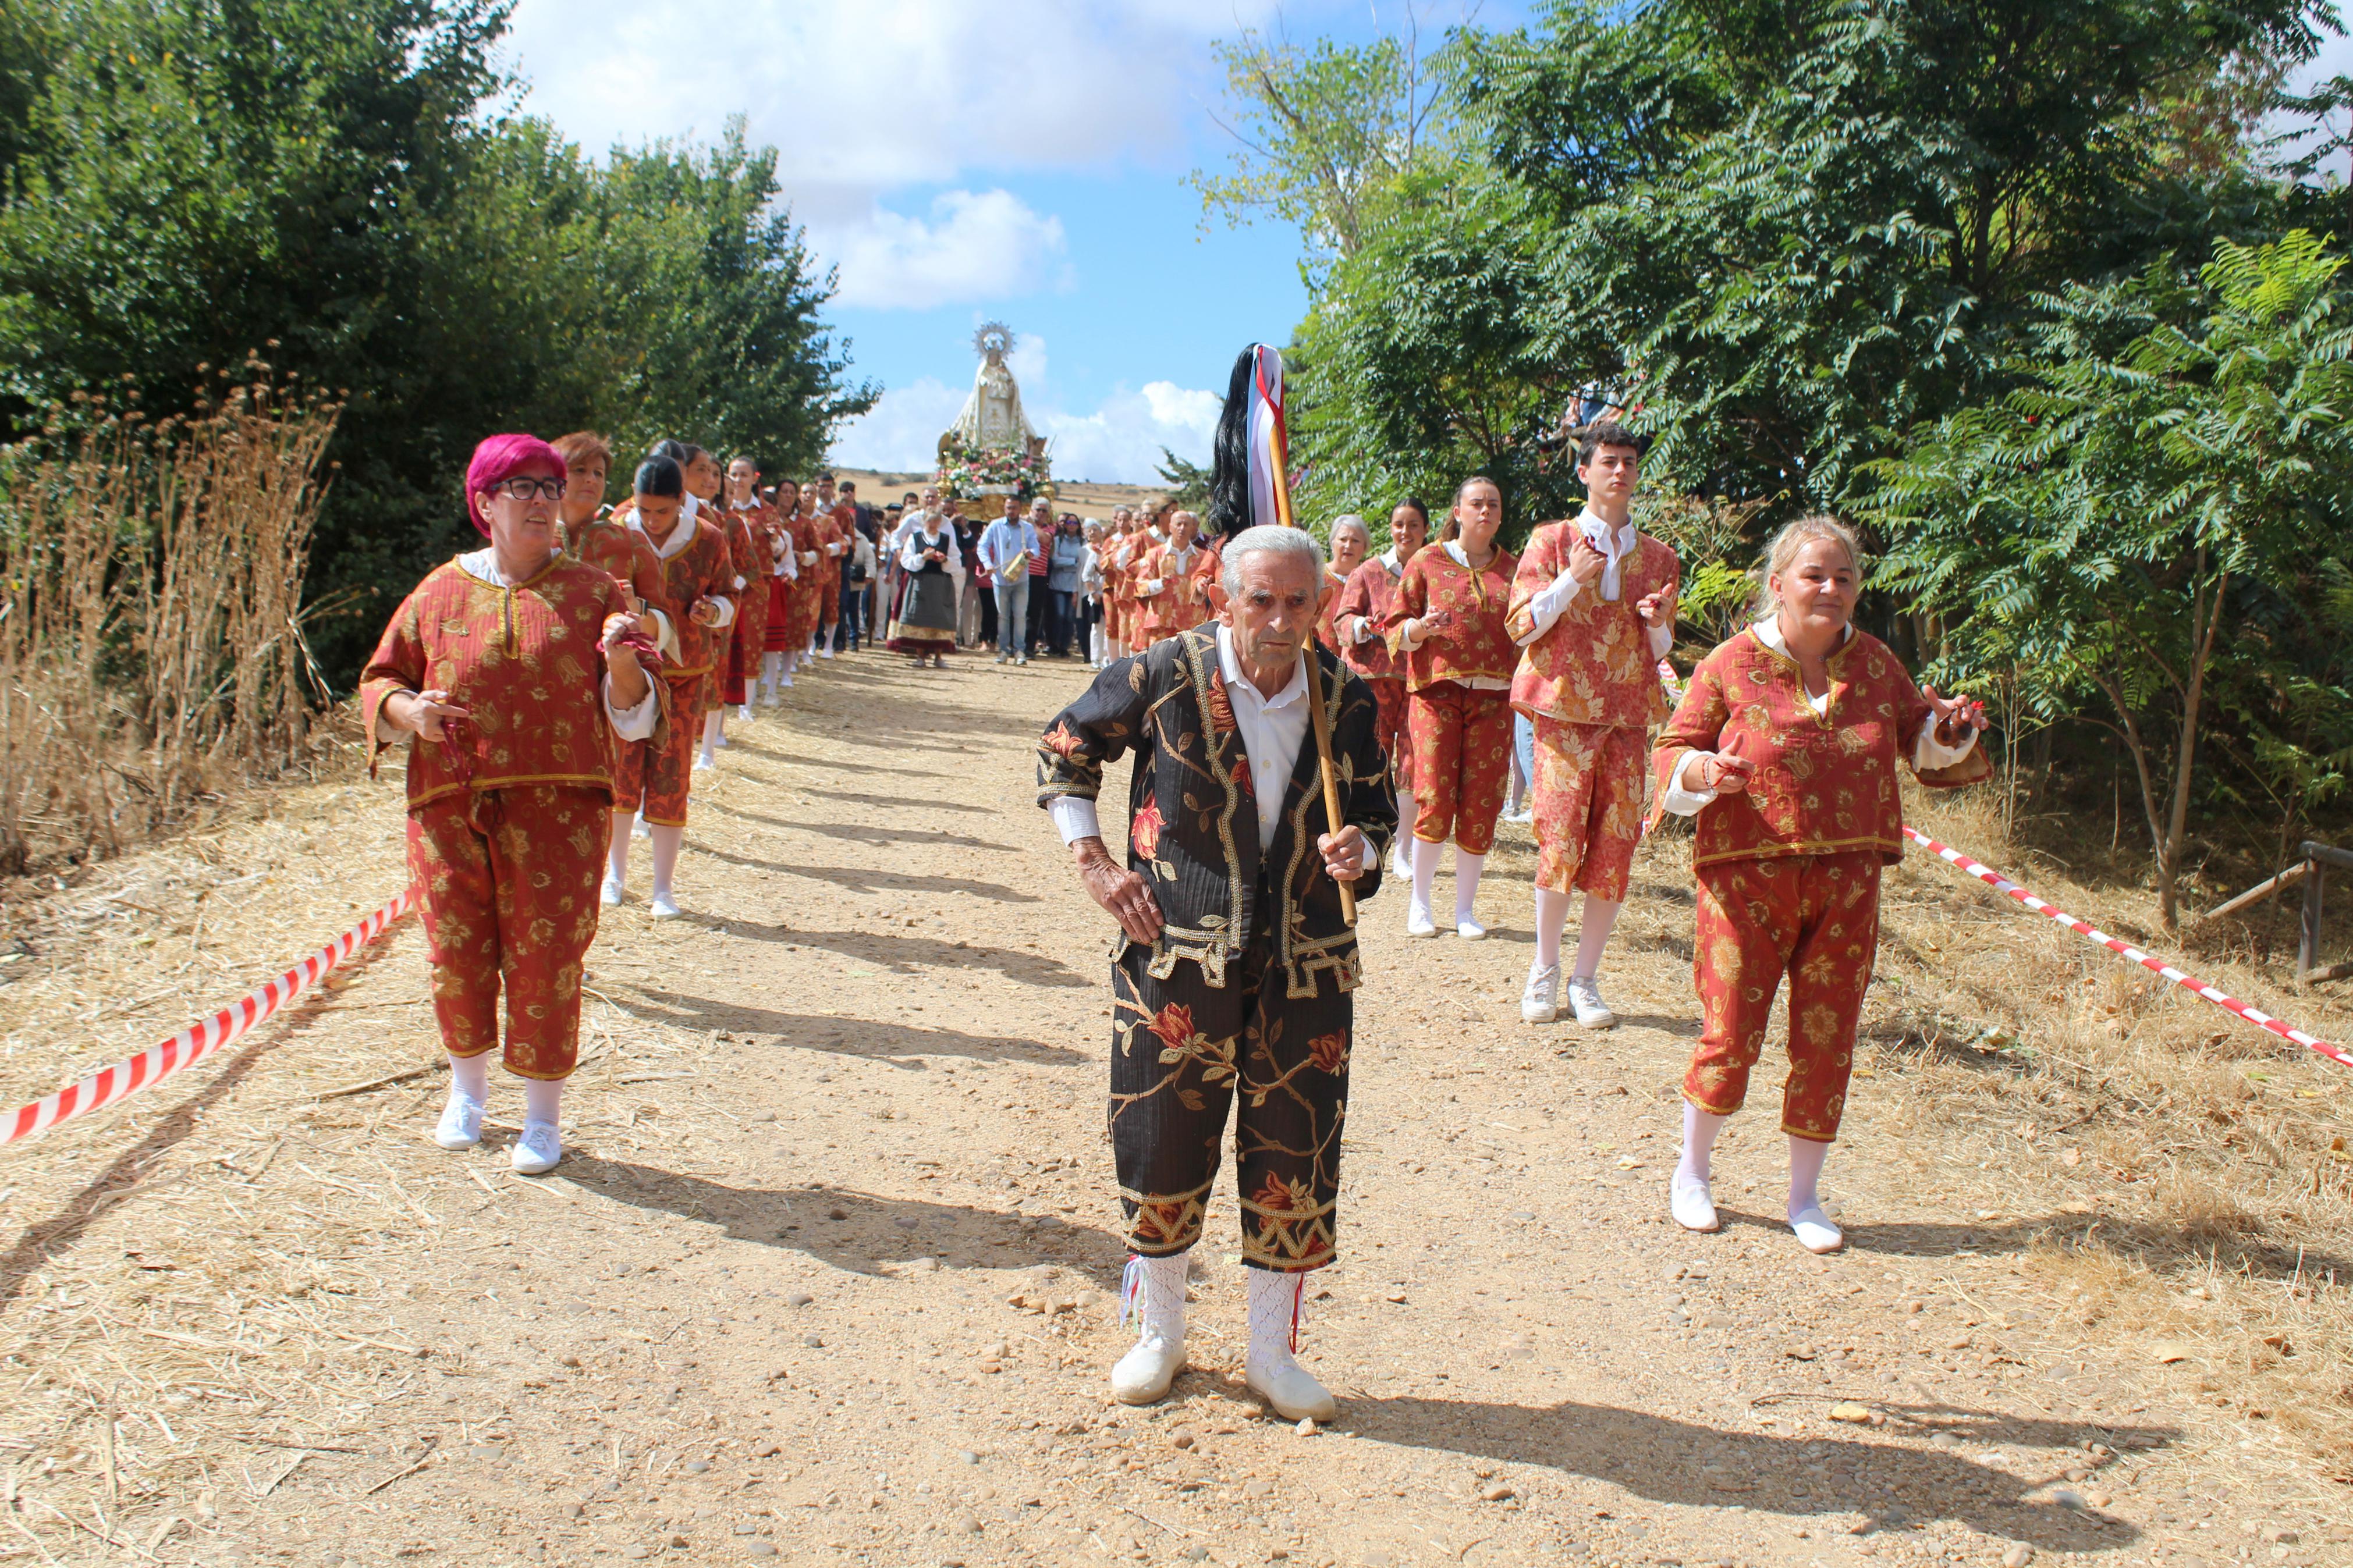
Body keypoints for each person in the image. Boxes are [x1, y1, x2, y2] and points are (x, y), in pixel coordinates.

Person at [1036, 524, 1396, 1421]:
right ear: (1222, 597)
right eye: (1260, 600)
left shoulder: (1342, 694)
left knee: (1293, 1148)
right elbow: (1062, 752)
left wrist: (1363, 848)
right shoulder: (1159, 674)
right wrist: (1094, 864)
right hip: (1175, 956)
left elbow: (1379, 807)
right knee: (1162, 1138)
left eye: (1297, 602)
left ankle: (1271, 1352)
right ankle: (1158, 1333)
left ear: (1321, 603)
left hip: (1303, 960)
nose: (1279, 621)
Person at [1653, 515, 1987, 1253]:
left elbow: (1918, 744)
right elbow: (1674, 746)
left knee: (1827, 1034)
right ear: (1776, 585)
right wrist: (1703, 773)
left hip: (1849, 881)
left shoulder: (1876, 665)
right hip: (1745, 877)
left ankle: (1803, 1197)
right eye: (1813, 575)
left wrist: (1950, 732)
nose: (1829, 589)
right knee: (1731, 1030)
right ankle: (1693, 1173)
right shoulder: (1729, 663)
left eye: (1842, 577)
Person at [360, 434, 656, 1174]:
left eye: (551, 488)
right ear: (484, 502)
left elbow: (634, 713)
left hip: (562, 810)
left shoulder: (595, 593)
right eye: (521, 487)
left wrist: (622, 660)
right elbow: (379, 679)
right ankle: (466, 1093)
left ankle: (541, 1117)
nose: (542, 501)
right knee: (456, 951)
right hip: (448, 805)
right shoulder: (435, 592)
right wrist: (408, 714)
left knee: (549, 956)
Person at [1505, 421, 1681, 1027]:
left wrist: (1657, 620)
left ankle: (1585, 977)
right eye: (1607, 460)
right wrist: (1569, 579)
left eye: (1628, 461)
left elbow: (1660, 649)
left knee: (1614, 849)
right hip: (1562, 711)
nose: (1619, 471)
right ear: (1582, 471)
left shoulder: (1659, 557)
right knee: (1558, 842)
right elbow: (1519, 626)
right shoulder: (1550, 540)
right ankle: (1544, 968)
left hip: (1628, 715)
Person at [1384, 478, 1519, 939]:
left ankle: (1465, 909)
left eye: (1493, 504)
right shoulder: (1427, 560)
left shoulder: (1515, 570)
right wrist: (1421, 629)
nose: (1485, 510)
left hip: (1495, 698)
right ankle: (1420, 903)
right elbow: (1395, 626)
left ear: (1500, 515)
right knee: (1436, 796)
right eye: (1476, 503)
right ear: (1457, 511)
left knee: (1482, 800)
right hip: (1436, 693)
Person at [608, 454, 736, 917]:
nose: (652, 520)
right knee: (621, 770)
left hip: (685, 674)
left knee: (670, 773)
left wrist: (712, 611)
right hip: (628, 670)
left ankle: (663, 887)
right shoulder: (617, 532)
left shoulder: (709, 539)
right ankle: (615, 874)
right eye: (644, 510)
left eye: (661, 511)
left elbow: (729, 595)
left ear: (682, 501)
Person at [1330, 499, 1428, 879]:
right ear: (1390, 528)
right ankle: (1354, 831)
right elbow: (1343, 618)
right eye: (1398, 524)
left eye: (1413, 525)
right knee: (1368, 756)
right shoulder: (1368, 571)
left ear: (1423, 529)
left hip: (1418, 680)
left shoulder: (1430, 570)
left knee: (1411, 761)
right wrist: (1363, 626)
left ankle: (1402, 847)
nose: (1405, 532)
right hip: (1371, 679)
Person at [722, 454, 776, 721]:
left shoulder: (766, 512)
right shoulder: (719, 510)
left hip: (754, 586)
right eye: (733, 474)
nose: (738, 480)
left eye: (743, 475)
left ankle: (746, 705)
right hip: (721, 584)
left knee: (752, 641)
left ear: (755, 479)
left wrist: (777, 542)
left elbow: (779, 548)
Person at [891, 506, 964, 666]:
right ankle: (921, 657)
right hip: (920, 582)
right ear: (924, 521)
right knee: (920, 617)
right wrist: (923, 558)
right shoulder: (915, 538)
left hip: (940, 583)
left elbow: (957, 561)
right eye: (930, 521)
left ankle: (938, 657)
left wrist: (945, 560)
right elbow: (906, 560)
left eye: (936, 521)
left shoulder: (946, 539)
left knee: (940, 619)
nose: (933, 524)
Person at [978, 496, 1039, 665]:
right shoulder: (995, 526)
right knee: (1003, 616)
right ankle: (1004, 650)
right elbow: (982, 546)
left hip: (1021, 578)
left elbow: (1037, 548)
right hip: (1000, 578)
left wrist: (1030, 553)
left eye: (1014, 508)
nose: (1011, 511)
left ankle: (1020, 651)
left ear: (1020, 509)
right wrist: (987, 564)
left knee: (1020, 616)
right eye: (1009, 508)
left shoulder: (1027, 528)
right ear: (1005, 508)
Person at [1136, 510, 1209, 643]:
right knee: (1159, 663)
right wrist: (1158, 584)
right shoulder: (1155, 554)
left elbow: (1209, 586)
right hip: (1162, 624)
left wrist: (1203, 589)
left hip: (1192, 625)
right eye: (1178, 524)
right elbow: (1140, 585)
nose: (1182, 528)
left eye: (1186, 524)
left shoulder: (1203, 556)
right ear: (1170, 527)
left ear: (1193, 528)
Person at [761, 478, 804, 695]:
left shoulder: (784, 535)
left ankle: (773, 683)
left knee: (772, 642)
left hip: (775, 587)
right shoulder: (748, 530)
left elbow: (790, 565)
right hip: (752, 586)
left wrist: (789, 575)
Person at [1317, 515, 1371, 653]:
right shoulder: (1315, 578)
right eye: (1343, 539)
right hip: (1320, 664)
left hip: (1360, 668)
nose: (1348, 546)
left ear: (1365, 546)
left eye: (1355, 541)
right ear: (1332, 543)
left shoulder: (1371, 581)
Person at [1048, 514, 1087, 657]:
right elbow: (1055, 561)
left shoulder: (1083, 542)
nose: (1071, 525)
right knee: (1059, 615)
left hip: (1074, 586)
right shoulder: (1058, 540)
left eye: (1074, 523)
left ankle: (1065, 646)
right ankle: (1054, 644)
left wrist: (1068, 563)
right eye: (1069, 522)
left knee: (1070, 618)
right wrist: (1073, 562)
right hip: (1058, 584)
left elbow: (1083, 563)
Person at [1025, 496, 1054, 656]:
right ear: (1032, 509)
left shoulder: (1050, 528)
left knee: (1034, 613)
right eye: (1038, 510)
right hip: (1022, 573)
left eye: (1044, 511)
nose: (1041, 513)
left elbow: (1044, 539)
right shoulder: (1022, 525)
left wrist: (1030, 522)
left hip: (1039, 575)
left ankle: (1029, 647)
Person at [1078, 518, 1108, 667]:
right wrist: (1093, 592)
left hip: (1110, 595)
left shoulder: (1109, 551)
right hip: (1098, 595)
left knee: (1110, 628)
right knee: (1097, 627)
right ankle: (1095, 658)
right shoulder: (1094, 554)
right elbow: (1086, 575)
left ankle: (1107, 659)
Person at [842, 524, 875, 650]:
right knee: (840, 608)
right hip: (839, 577)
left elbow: (870, 558)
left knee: (853, 609)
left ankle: (854, 639)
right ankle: (839, 639)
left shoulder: (862, 539)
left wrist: (870, 574)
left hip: (855, 578)